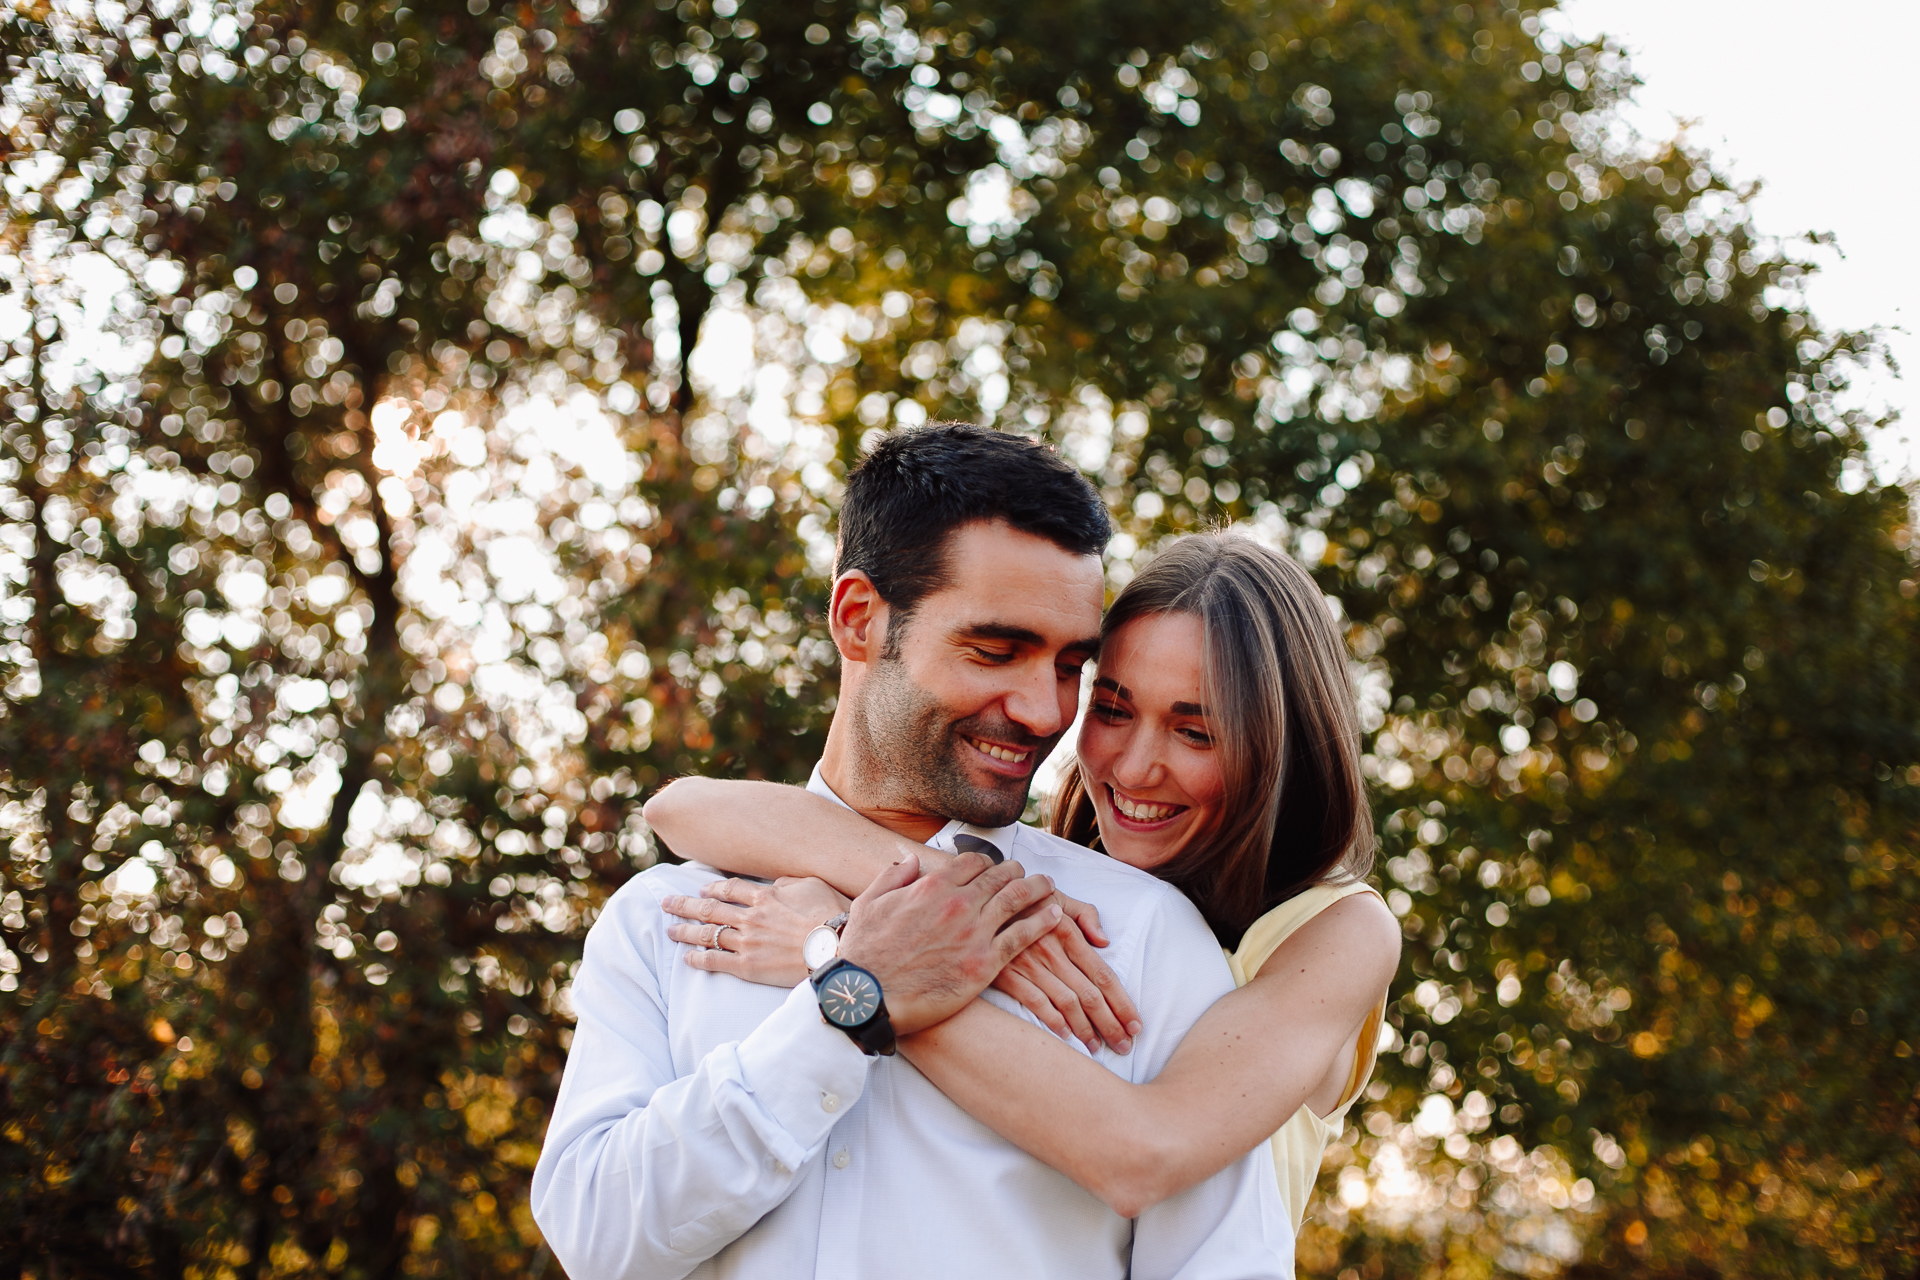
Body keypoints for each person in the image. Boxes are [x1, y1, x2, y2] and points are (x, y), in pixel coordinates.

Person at [532, 424, 1291, 1279]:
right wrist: (842, 1010)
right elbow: (598, 1243)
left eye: (1071, 664)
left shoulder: (1140, 938)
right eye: (996, 650)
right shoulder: (665, 922)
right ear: (860, 621)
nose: (1046, 713)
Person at [649, 531, 1401, 1227]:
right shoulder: (1053, 876)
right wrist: (961, 901)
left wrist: (852, 972)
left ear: (1283, 745)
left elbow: (1143, 1155)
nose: (1135, 767)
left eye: (1196, 731)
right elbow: (683, 807)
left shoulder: (1339, 929)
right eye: (1111, 708)